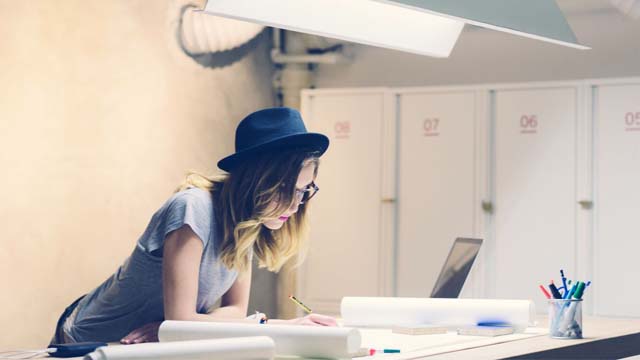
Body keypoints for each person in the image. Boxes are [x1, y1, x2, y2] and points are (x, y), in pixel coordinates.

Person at [50, 107, 337, 345]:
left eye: (304, 191)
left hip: (135, 349)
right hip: (84, 342)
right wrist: (176, 325)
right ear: (257, 181)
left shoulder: (247, 226)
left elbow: (234, 312)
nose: (294, 204)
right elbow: (182, 321)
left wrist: (283, 324)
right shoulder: (193, 208)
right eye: (286, 190)